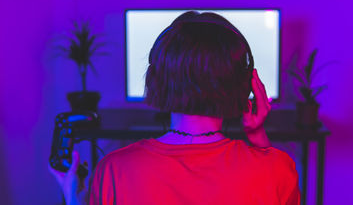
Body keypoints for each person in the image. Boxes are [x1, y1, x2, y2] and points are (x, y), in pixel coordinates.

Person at [49, 11, 300, 205]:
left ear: (155, 79)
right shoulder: (277, 168)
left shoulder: (115, 169)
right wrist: (258, 136)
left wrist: (74, 199)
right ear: (244, 84)